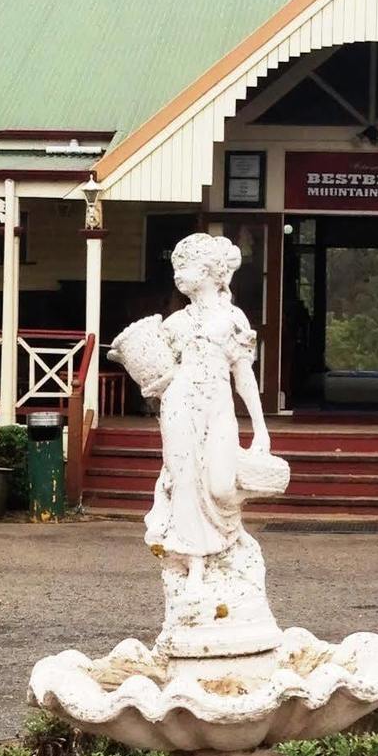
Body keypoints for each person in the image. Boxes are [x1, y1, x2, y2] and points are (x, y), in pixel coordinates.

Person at [146, 234, 269, 569]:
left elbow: (243, 376)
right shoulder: (174, 324)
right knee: (184, 482)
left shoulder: (233, 319)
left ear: (210, 270)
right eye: (175, 266)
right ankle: (195, 562)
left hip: (217, 408)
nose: (178, 274)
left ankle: (228, 540)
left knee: (222, 486)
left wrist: (261, 429)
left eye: (185, 266)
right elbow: (159, 374)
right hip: (180, 407)